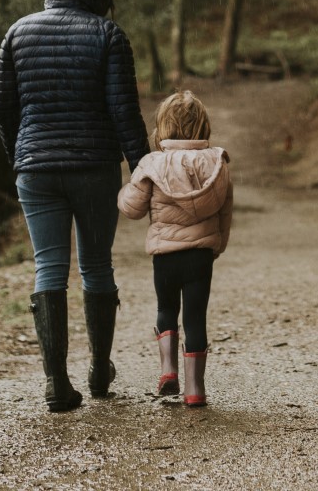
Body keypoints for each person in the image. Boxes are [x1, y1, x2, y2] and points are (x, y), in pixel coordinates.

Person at [0, 0, 149, 413]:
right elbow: (125, 115)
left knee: (48, 267)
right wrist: (146, 172)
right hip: (95, 168)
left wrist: (21, 155)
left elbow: (3, 108)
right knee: (97, 265)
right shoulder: (108, 34)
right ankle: (100, 368)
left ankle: (55, 382)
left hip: (35, 170)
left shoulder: (18, 32)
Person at [118, 90, 234, 408]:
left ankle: (168, 370)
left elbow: (132, 209)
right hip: (200, 256)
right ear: (202, 126)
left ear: (163, 128)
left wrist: (127, 188)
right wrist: (217, 246)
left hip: (165, 255)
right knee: (196, 318)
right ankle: (195, 390)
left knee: (166, 309)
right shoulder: (217, 163)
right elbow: (225, 210)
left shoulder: (151, 164)